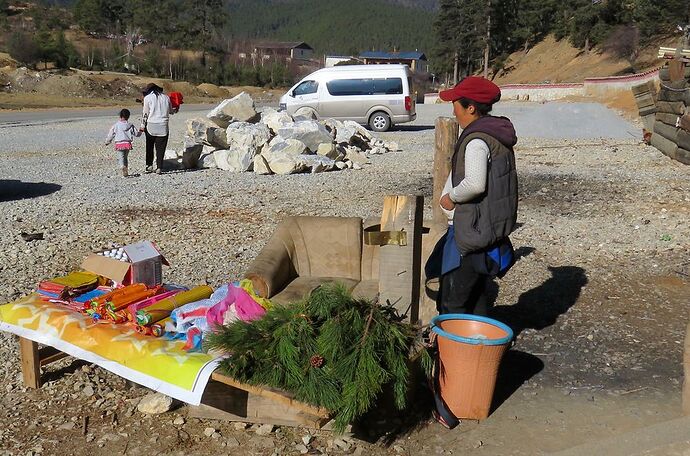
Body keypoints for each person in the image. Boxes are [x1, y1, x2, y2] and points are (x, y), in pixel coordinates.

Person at [432, 76, 518, 316]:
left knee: (452, 302)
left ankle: (452, 350)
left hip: (472, 233)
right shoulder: (495, 134)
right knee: (477, 296)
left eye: (456, 104)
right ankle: (479, 347)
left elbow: (475, 184)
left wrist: (451, 197)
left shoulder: (477, 140)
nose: (453, 109)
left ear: (470, 108)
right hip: (487, 229)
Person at [140, 83, 176, 174]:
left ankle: (149, 166)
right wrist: (176, 110)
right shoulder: (166, 98)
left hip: (151, 125)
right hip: (163, 126)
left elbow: (145, 114)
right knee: (161, 148)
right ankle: (159, 167)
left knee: (149, 146)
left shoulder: (147, 98)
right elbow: (171, 111)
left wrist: (142, 126)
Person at [105, 108, 141, 177]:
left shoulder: (116, 125)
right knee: (125, 157)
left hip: (119, 144)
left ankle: (122, 166)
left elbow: (111, 134)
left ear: (120, 116)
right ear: (128, 116)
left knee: (120, 157)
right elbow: (137, 134)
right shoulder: (130, 125)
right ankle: (126, 170)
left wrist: (107, 141)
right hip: (127, 144)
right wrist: (141, 131)